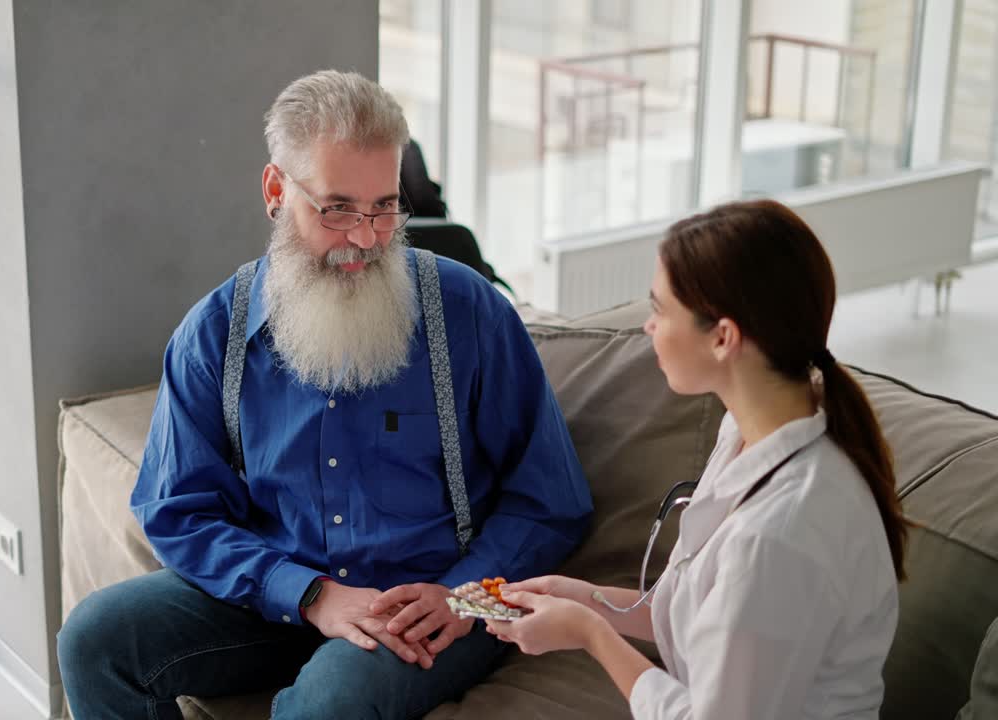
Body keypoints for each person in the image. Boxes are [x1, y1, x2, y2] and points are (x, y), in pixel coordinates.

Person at [57, 69, 593, 720]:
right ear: (277, 191)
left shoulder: (469, 314)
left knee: (328, 706)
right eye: (337, 208)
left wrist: (462, 595)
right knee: (95, 640)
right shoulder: (213, 335)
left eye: (385, 207)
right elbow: (177, 509)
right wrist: (307, 593)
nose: (367, 238)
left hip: (423, 606)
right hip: (274, 594)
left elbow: (550, 501)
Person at [487, 199, 908, 719]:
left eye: (660, 310)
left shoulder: (777, 535)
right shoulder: (746, 435)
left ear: (724, 337)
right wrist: (585, 597)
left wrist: (591, 634)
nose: (648, 327)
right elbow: (702, 617)